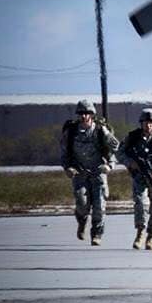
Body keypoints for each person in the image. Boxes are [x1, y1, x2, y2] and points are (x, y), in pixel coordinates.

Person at [61, 100, 119, 246]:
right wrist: (67, 167)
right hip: (80, 173)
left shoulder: (100, 131)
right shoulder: (71, 132)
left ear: (92, 115)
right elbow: (64, 154)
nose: (84, 116)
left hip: (98, 172)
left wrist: (110, 166)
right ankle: (82, 221)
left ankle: (97, 234)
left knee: (100, 206)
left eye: (87, 113)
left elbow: (115, 147)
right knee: (82, 203)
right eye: (81, 113)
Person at [116, 108, 152, 250]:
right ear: (141, 123)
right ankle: (140, 233)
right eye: (146, 123)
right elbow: (119, 152)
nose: (148, 126)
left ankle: (151, 236)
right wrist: (131, 163)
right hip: (139, 177)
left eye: (151, 123)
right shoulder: (132, 138)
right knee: (140, 204)